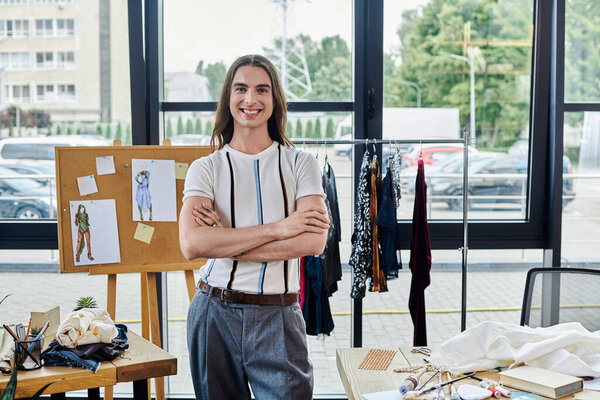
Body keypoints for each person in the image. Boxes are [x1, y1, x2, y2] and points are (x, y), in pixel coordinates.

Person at [179, 54, 330, 400]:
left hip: (278, 317)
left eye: (262, 89)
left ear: (274, 99)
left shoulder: (301, 164)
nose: (251, 99)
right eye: (241, 89)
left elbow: (314, 241)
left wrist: (223, 241)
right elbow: (191, 245)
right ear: (228, 99)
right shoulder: (205, 169)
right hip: (213, 313)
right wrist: (281, 227)